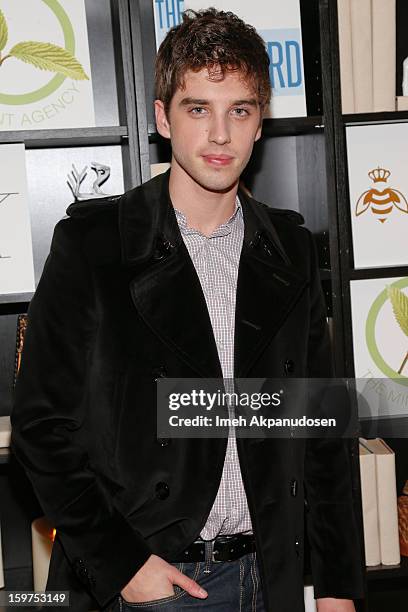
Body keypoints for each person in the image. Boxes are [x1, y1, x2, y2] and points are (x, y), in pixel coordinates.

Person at [11, 8, 365, 612]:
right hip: (147, 582)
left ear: (260, 124)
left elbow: (322, 434)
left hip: (268, 576)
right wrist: (124, 566)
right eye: (198, 109)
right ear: (163, 119)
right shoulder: (96, 246)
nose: (220, 135)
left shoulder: (291, 250)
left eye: (240, 111)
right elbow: (42, 431)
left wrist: (335, 587)